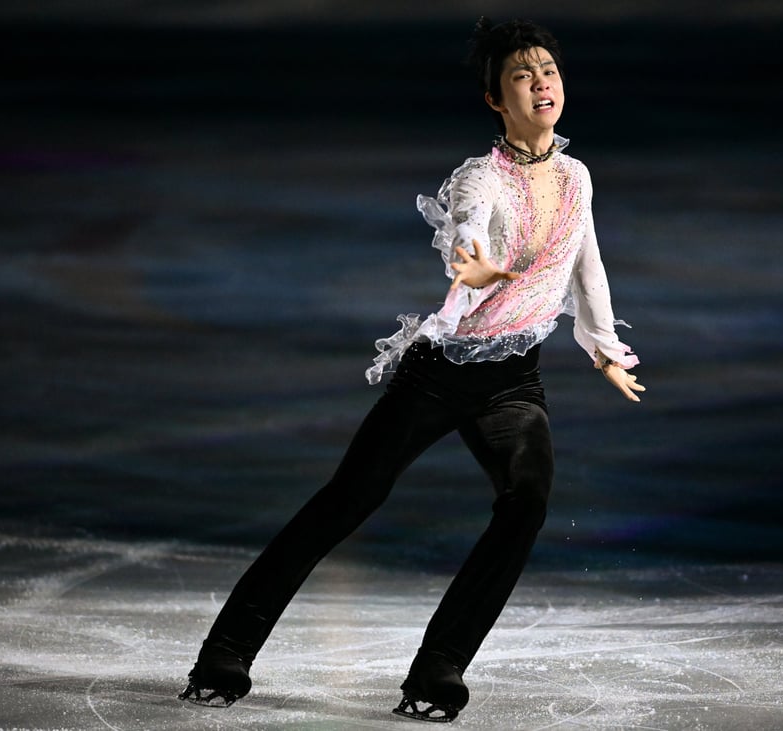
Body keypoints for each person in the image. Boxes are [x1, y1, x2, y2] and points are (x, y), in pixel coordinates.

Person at [178, 16, 644, 723]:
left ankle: (437, 673)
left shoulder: (576, 177)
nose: (541, 82)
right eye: (522, 75)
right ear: (496, 99)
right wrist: (479, 265)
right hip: (442, 371)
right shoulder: (478, 178)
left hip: (515, 377)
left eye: (548, 70)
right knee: (347, 500)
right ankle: (225, 651)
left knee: (526, 501)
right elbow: (465, 239)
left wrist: (605, 348)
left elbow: (589, 266)